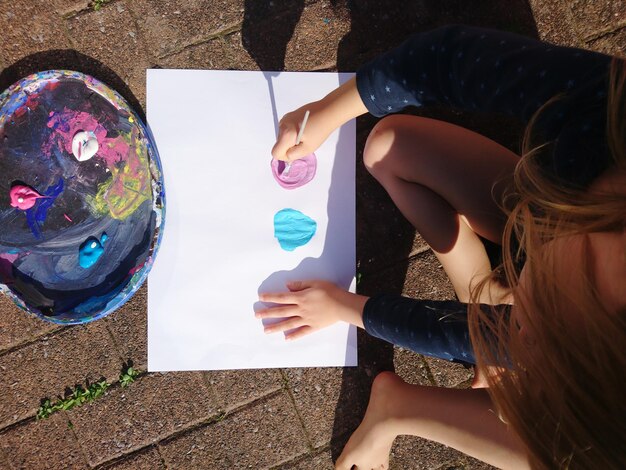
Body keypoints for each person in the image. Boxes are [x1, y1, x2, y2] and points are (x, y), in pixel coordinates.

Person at [256, 25, 626, 469]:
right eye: (533, 318)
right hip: (557, 201)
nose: (519, 325)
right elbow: (446, 60)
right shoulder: (607, 118)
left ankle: (404, 408)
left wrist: (345, 307)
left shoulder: (586, 339)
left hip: (560, 219)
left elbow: (469, 333)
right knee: (389, 147)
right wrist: (330, 111)